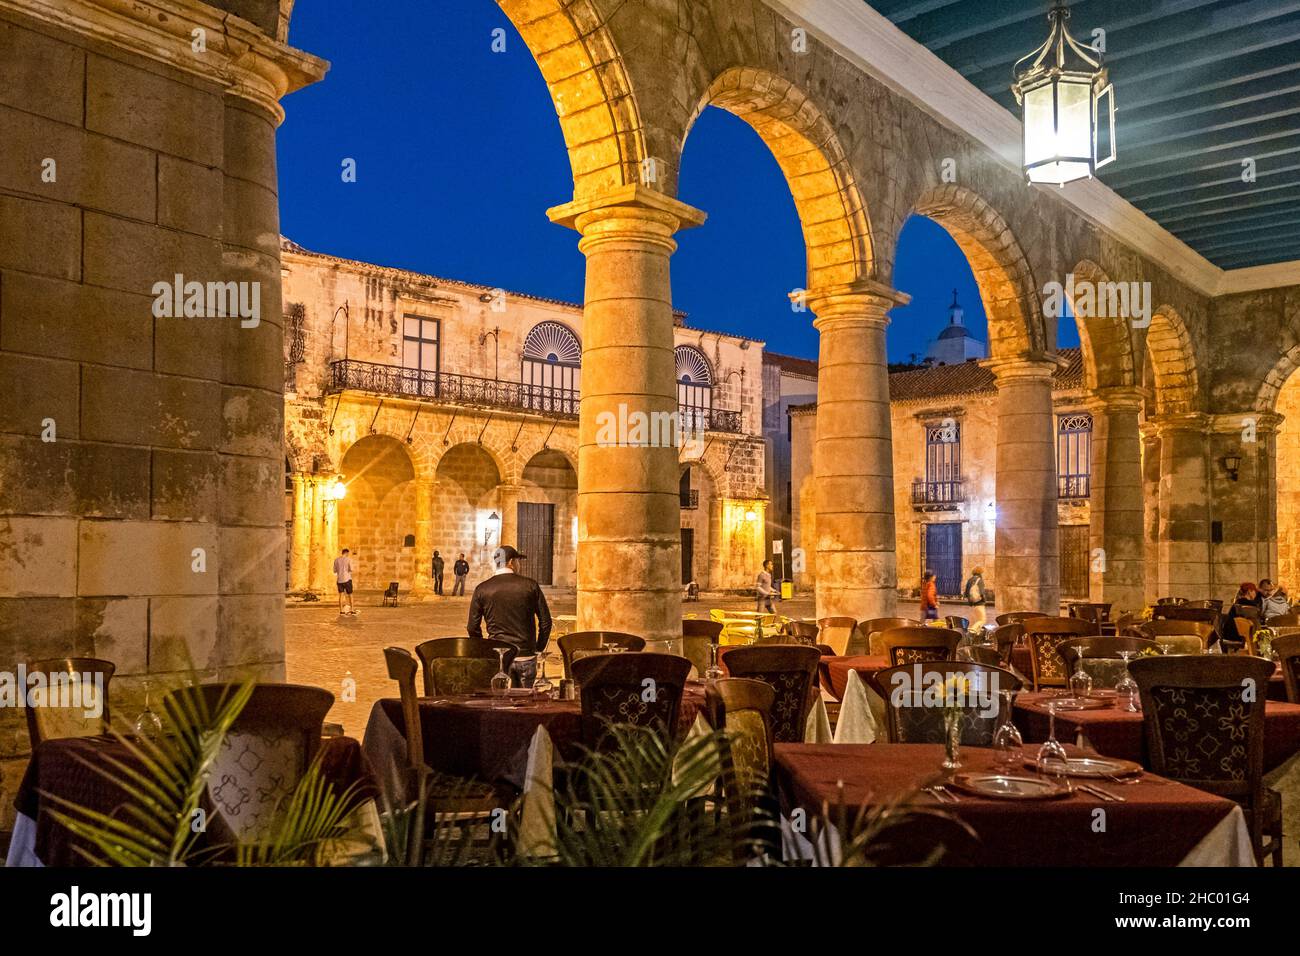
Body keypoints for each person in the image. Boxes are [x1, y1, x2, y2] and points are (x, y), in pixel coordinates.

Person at [467, 545, 552, 687]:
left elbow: (472, 627)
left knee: (501, 702)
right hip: (525, 654)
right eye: (518, 561)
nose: (519, 565)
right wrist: (538, 648)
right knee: (525, 703)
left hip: (499, 656)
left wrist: (486, 650)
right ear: (511, 562)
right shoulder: (530, 586)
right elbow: (546, 622)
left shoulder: (482, 589)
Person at [332, 547, 355, 615]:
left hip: (339, 580)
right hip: (347, 579)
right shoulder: (348, 559)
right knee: (350, 594)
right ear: (347, 553)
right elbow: (351, 569)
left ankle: (341, 610)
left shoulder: (336, 560)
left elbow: (334, 571)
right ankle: (352, 609)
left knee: (341, 595)